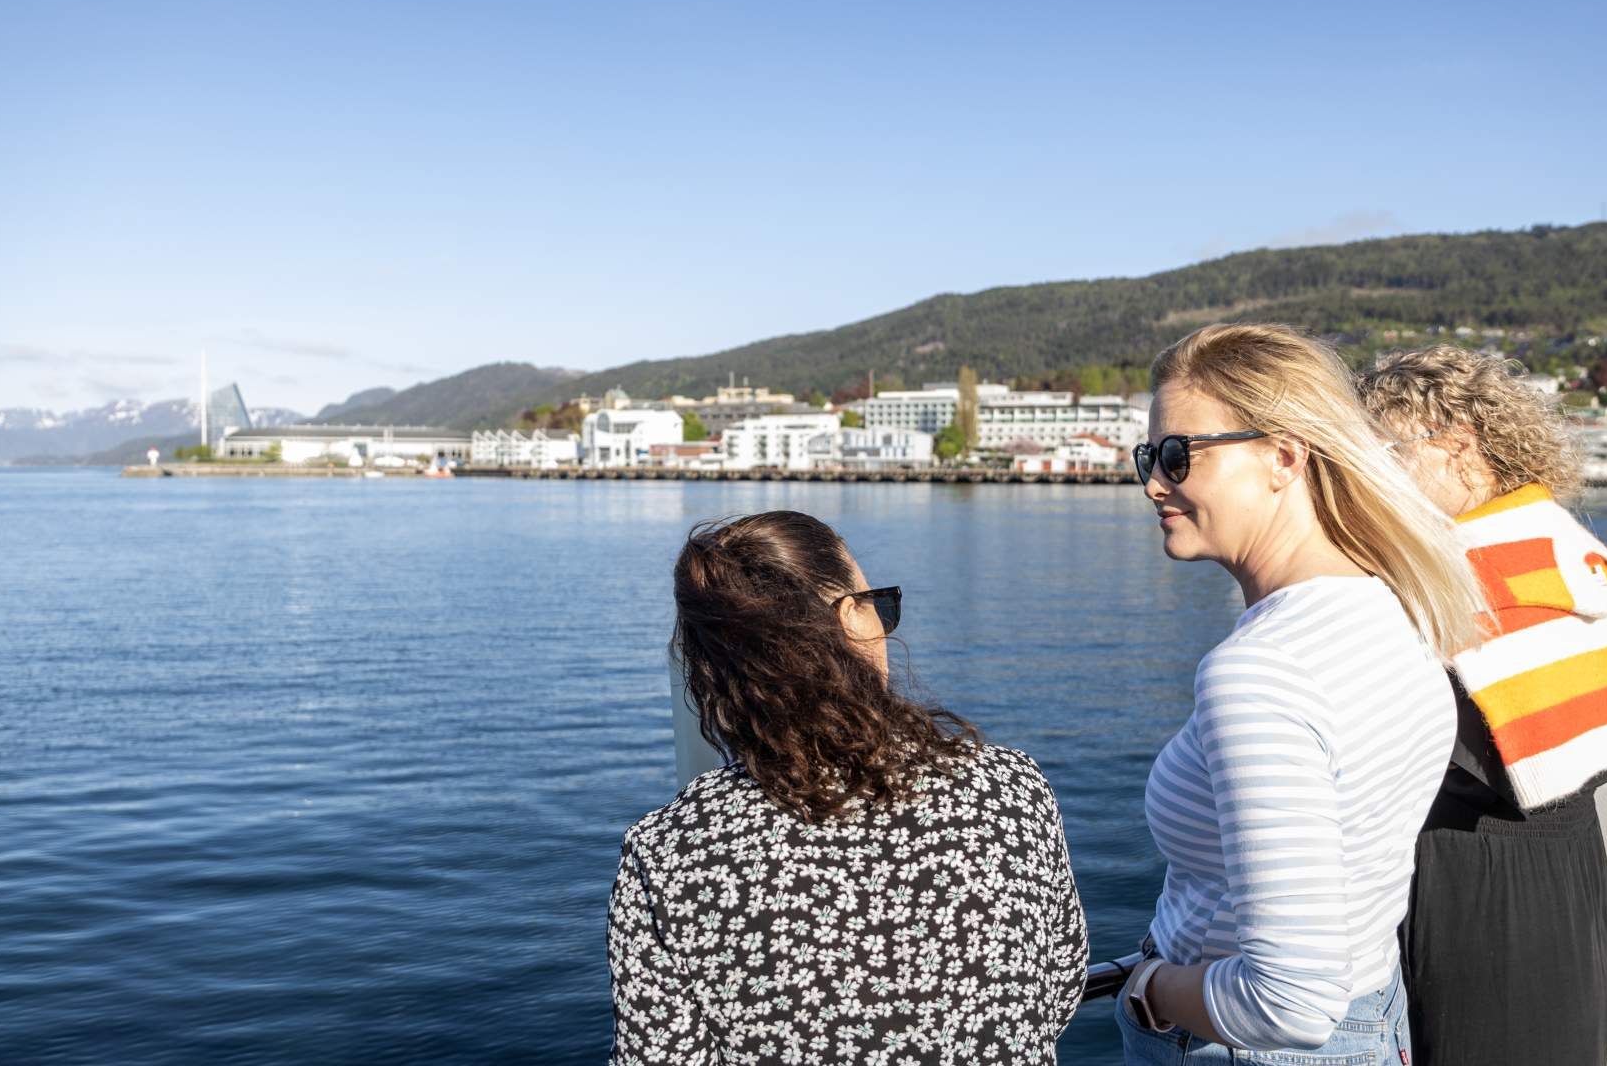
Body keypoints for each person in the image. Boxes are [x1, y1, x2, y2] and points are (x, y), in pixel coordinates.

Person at [1117, 323, 1487, 1065]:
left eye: (1178, 455)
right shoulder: (1399, 608)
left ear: (1283, 457)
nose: (1156, 481)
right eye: (1147, 457)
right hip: (1374, 1016)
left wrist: (1150, 991)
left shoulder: (1261, 672)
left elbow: (1287, 1001)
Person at [607, 510, 1089, 1065]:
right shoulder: (1009, 790)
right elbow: (1057, 991)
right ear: (851, 620)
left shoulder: (668, 854)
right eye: (875, 602)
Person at [1359, 345, 1607, 1066]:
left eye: (1383, 455)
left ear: (1457, 449)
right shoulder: (1552, 544)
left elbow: (1448, 753)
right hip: (1568, 862)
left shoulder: (1468, 571)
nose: (1368, 480)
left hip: (1476, 874)